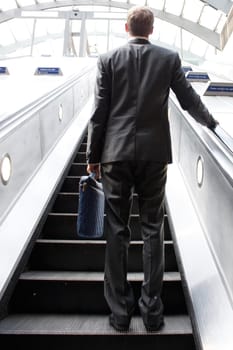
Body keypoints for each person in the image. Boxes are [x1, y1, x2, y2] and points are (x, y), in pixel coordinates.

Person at [86, 5, 218, 332]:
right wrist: (212, 122)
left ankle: (119, 314)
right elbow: (189, 100)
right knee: (152, 229)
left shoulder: (107, 60)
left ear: (126, 27)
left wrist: (93, 155)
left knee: (117, 230)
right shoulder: (168, 59)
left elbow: (99, 111)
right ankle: (152, 312)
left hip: (114, 155)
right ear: (152, 29)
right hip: (154, 155)